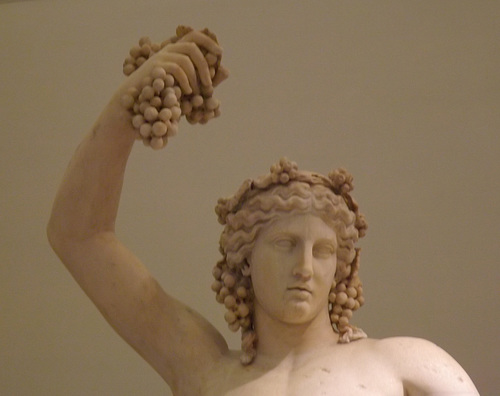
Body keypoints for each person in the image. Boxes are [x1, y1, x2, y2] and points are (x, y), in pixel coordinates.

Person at [47, 28, 479, 396]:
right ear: (246, 260)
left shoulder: (402, 362)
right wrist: (126, 108)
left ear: (342, 268)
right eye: (285, 245)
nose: (305, 267)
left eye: (324, 250)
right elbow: (80, 238)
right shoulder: (205, 367)